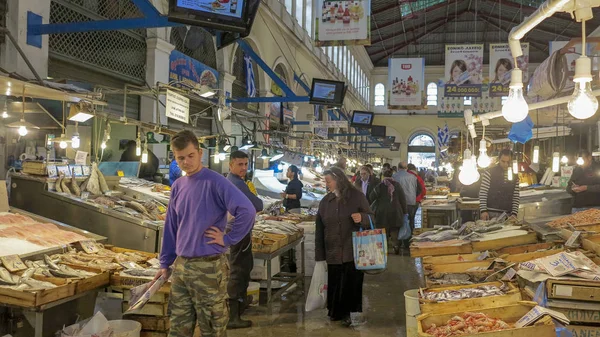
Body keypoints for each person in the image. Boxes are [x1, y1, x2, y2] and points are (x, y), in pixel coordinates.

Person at [156, 130, 256, 337]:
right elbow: (171, 227)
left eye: (190, 156)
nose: (186, 162)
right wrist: (165, 263)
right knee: (178, 327)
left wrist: (228, 238)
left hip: (208, 267)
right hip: (182, 266)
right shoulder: (178, 186)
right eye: (180, 158)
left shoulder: (216, 182)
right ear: (174, 157)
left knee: (212, 327)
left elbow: (247, 210)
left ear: (200, 153)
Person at [315, 166, 373, 326]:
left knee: (349, 283)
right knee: (334, 282)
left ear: (338, 179)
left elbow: (372, 217)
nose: (327, 185)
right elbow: (319, 229)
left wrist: (362, 217)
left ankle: (346, 314)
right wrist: (319, 255)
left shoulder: (357, 196)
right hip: (332, 248)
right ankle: (334, 312)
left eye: (329, 181)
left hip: (352, 248)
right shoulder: (325, 202)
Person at [226, 151, 264, 329]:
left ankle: (239, 306)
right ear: (230, 165)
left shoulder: (236, 181)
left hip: (238, 233)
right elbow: (258, 205)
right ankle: (233, 316)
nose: (243, 168)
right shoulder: (236, 184)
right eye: (239, 164)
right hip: (238, 235)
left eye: (245, 164)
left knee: (243, 268)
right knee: (238, 272)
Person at [370, 169, 407, 255]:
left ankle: (384, 249)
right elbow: (403, 199)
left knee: (383, 231)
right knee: (394, 230)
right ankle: (396, 247)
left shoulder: (379, 186)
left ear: (383, 176)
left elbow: (371, 197)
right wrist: (405, 212)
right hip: (395, 211)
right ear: (392, 176)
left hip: (382, 212)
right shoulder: (397, 185)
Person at [479, 149, 520, 221]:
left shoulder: (515, 176)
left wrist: (514, 213)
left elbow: (515, 196)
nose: (506, 164)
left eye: (508, 162)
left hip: (507, 215)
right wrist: (483, 211)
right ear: (499, 159)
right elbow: (483, 192)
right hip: (490, 214)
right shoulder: (489, 173)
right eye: (503, 161)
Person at [393, 162, 418, 247]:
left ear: (398, 168)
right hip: (411, 202)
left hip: (398, 203)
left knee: (398, 222)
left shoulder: (394, 177)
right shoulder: (413, 177)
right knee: (410, 221)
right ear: (406, 168)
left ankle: (399, 242)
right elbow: (418, 189)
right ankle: (409, 243)